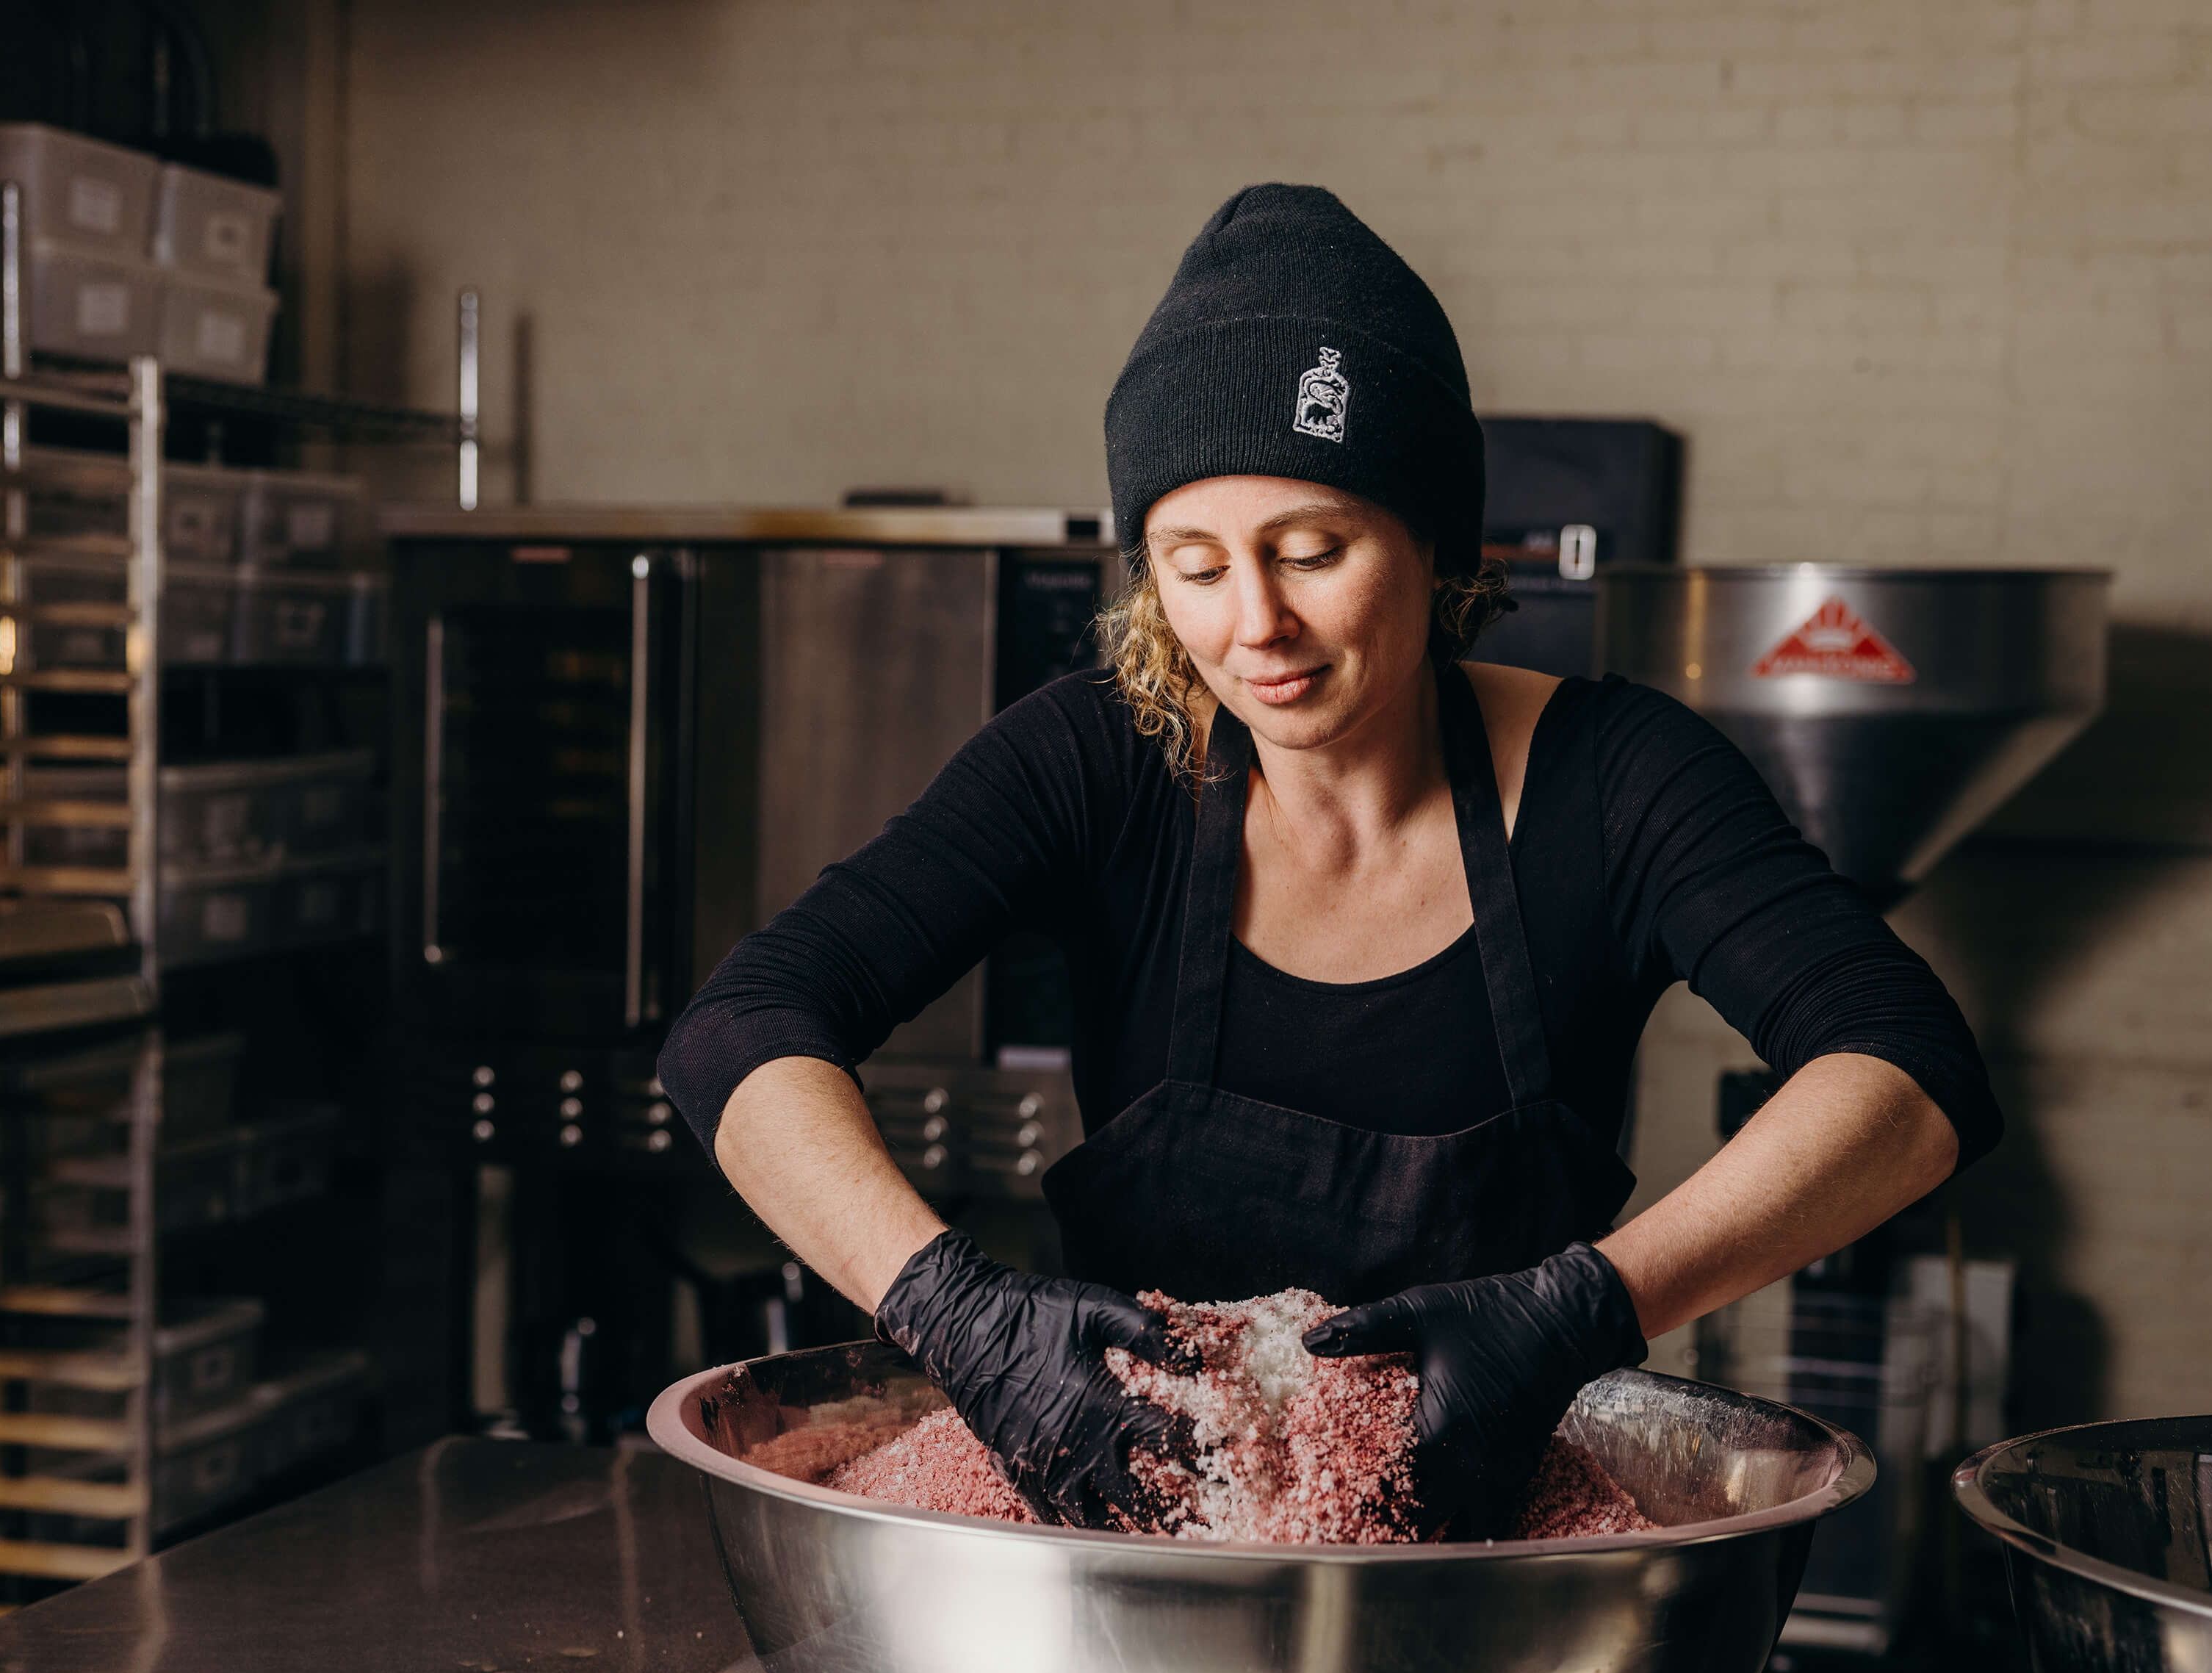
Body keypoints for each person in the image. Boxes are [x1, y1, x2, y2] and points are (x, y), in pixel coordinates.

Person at [659, 185, 1997, 1539]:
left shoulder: (1621, 781)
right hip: (1133, 1540)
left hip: (1496, 1562)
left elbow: (1906, 1065)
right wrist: (957, 1313)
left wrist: (1582, 1309)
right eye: (1193, 565)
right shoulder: (1095, 761)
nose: (1257, 627)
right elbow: (741, 1031)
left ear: (1435, 541)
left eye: (1312, 551)